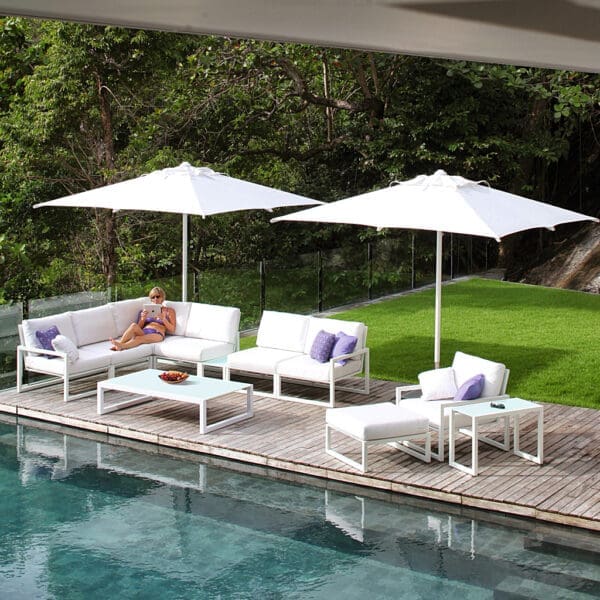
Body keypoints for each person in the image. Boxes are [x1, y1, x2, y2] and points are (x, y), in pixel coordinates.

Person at [110, 287, 176, 351]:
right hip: (144, 331)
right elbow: (139, 327)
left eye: (157, 296)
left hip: (157, 333)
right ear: (151, 299)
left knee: (139, 338)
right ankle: (119, 344)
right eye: (153, 297)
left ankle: (122, 346)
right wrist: (143, 318)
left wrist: (164, 319)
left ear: (162, 297)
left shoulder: (169, 311)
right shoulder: (145, 310)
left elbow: (172, 329)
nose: (155, 299)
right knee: (133, 325)